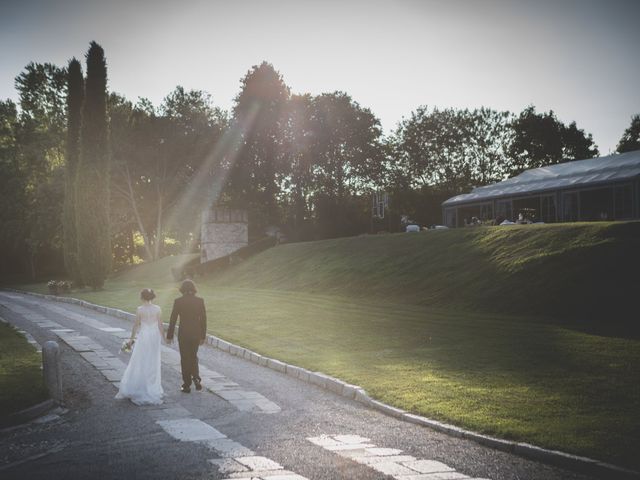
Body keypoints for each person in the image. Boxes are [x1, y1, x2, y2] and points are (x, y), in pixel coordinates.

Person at [115, 288, 164, 405]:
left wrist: (131, 339)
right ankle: (151, 386)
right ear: (152, 297)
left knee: (140, 360)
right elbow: (160, 325)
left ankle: (138, 385)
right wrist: (164, 338)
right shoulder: (157, 309)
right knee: (152, 361)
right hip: (154, 337)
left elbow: (136, 325)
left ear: (142, 297)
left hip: (143, 337)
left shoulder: (140, 309)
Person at [166, 279, 207, 393]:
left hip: (184, 333)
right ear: (194, 289)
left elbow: (173, 319)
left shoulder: (178, 301)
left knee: (185, 358)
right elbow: (203, 319)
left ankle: (187, 384)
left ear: (182, 289)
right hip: (196, 333)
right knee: (194, 356)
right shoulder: (200, 301)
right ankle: (197, 378)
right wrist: (203, 335)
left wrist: (169, 335)